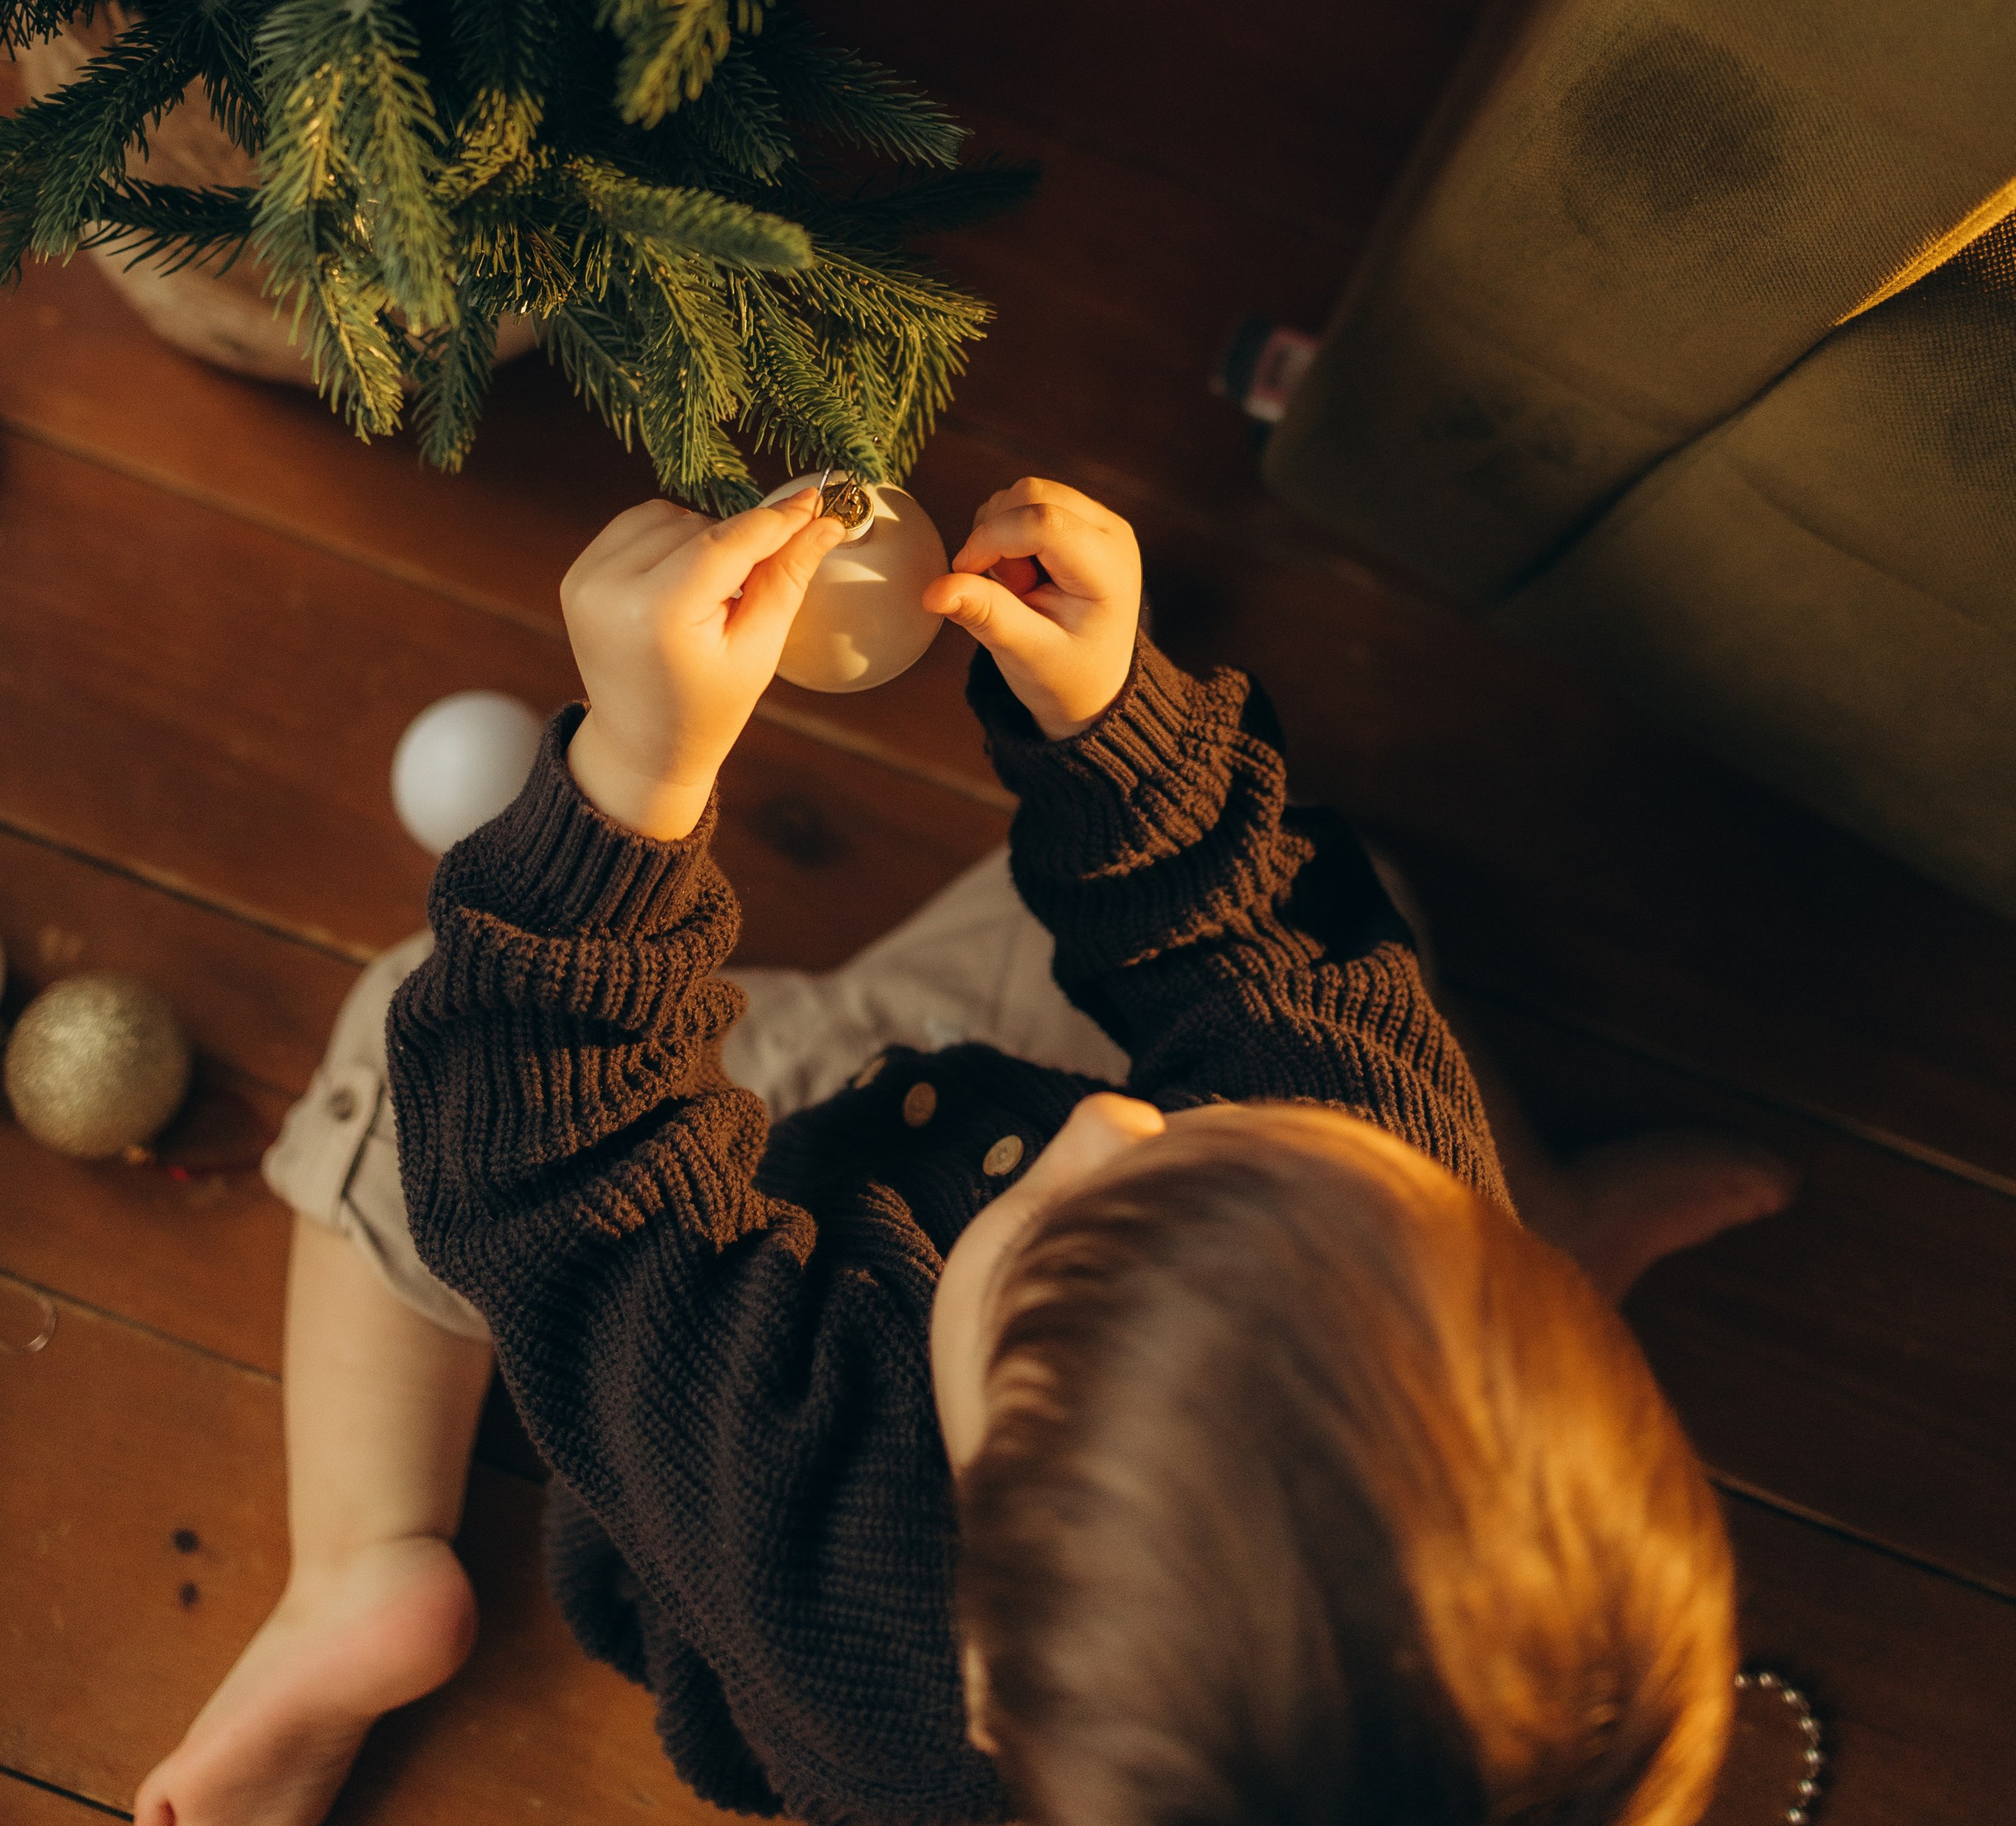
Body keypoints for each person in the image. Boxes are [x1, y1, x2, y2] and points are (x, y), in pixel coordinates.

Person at [134, 477, 1793, 1826]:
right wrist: (1109, 732)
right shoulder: (1393, 1226)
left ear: (993, 1663)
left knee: (426, 1036)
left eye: (1068, 1234)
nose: (1113, 1120)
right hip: (1136, 1254)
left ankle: (358, 1562)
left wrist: (632, 784)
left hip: (791, 1219)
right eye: (1212, 1152)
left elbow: (563, 1177)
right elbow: (1273, 983)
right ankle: (1554, 1219)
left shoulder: (822, 1546)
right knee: (1355, 962)